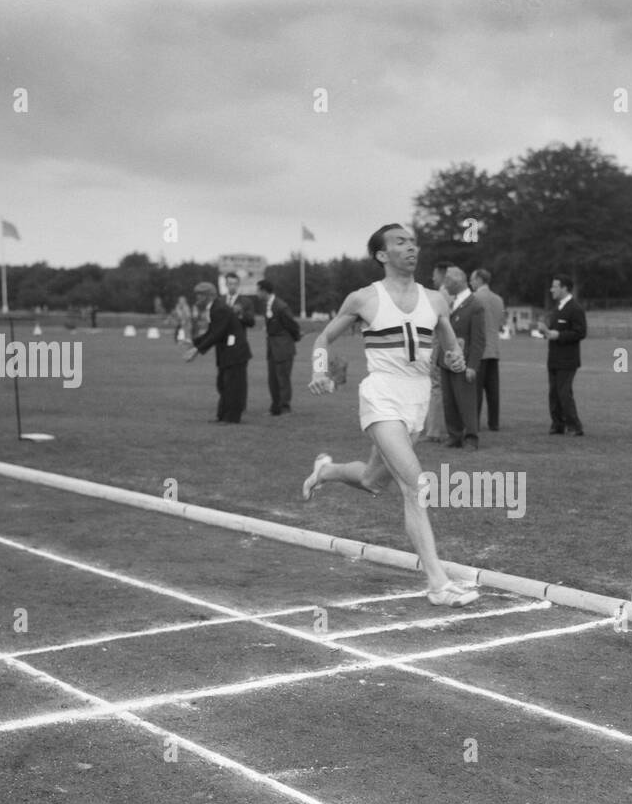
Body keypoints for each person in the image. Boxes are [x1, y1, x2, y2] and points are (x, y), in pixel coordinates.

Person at [300, 223, 479, 608]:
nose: (411, 248)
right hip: (381, 397)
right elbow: (322, 338)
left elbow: (451, 343)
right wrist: (319, 370)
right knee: (416, 485)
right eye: (401, 242)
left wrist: (455, 356)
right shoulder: (364, 298)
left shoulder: (436, 300)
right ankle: (438, 583)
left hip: (415, 402)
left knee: (372, 480)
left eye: (414, 242)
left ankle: (325, 471)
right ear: (382, 255)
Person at [182, 281, 251, 423]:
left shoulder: (218, 308)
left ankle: (231, 418)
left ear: (209, 296)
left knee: (232, 386)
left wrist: (197, 350)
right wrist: (195, 342)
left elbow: (217, 333)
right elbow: (213, 331)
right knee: (223, 384)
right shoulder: (214, 307)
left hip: (235, 352)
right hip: (228, 352)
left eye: (200, 294)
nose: (197, 297)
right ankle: (222, 416)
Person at [441, 266, 484, 449]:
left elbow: (478, 339)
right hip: (447, 361)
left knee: (466, 401)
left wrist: (473, 366)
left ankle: (471, 437)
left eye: (447, 281)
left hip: (464, 362)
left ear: (457, 281)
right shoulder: (451, 302)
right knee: (449, 401)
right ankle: (454, 435)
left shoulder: (475, 304)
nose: (445, 285)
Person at [544, 274, 586, 436]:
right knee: (553, 393)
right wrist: (546, 332)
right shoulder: (558, 308)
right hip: (553, 358)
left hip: (568, 360)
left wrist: (559, 336)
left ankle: (575, 426)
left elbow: (581, 332)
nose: (551, 289)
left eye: (555, 286)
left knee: (564, 393)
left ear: (564, 288)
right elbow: (555, 330)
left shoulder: (575, 308)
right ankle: (557, 424)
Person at [256, 279, 301, 415]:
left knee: (282, 379)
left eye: (258, 290)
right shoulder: (267, 305)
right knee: (273, 380)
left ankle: (284, 407)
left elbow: (292, 325)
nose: (257, 293)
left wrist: (294, 338)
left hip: (283, 348)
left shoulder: (281, 306)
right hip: (272, 349)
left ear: (264, 291)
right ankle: (275, 408)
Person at [421, 261, 453, 443]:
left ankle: (434, 431)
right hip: (443, 347)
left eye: (435, 274)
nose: (432, 278)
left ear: (442, 275)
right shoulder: (449, 295)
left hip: (438, 347)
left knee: (436, 387)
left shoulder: (440, 296)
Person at [469, 268, 505, 431]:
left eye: (472, 279)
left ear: (479, 280)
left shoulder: (474, 298)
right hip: (494, 350)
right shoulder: (498, 299)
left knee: (476, 391)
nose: (470, 282)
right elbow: (501, 323)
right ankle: (494, 423)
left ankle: (474, 422)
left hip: (479, 350)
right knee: (493, 390)